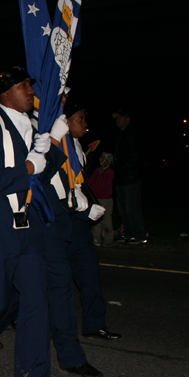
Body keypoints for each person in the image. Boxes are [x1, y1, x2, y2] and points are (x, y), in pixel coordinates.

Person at [0, 66, 71, 377]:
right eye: (22, 85)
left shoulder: (33, 127)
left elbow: (42, 176)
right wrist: (29, 165)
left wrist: (53, 145)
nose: (30, 90)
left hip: (29, 227)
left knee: (36, 303)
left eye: (29, 85)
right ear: (5, 92)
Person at [66, 100, 121, 341]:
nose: (85, 125)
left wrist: (89, 205)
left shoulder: (77, 147)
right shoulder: (56, 147)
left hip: (79, 223)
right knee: (44, 281)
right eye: (79, 120)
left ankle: (94, 323)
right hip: (61, 223)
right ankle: (2, 320)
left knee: (89, 273)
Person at [112, 109, 146, 244]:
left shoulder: (133, 134)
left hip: (130, 177)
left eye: (120, 117)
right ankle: (129, 233)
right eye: (116, 118)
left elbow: (134, 157)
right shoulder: (121, 135)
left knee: (132, 208)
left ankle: (140, 235)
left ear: (127, 118)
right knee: (123, 208)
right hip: (121, 177)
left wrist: (122, 167)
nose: (117, 120)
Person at [88, 152, 115, 247]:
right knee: (95, 220)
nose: (100, 160)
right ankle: (96, 239)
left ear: (108, 161)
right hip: (96, 199)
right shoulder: (97, 170)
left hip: (105, 199)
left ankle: (108, 239)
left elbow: (103, 186)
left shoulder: (109, 172)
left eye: (103, 159)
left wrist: (93, 188)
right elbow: (90, 180)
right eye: (100, 158)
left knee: (106, 220)